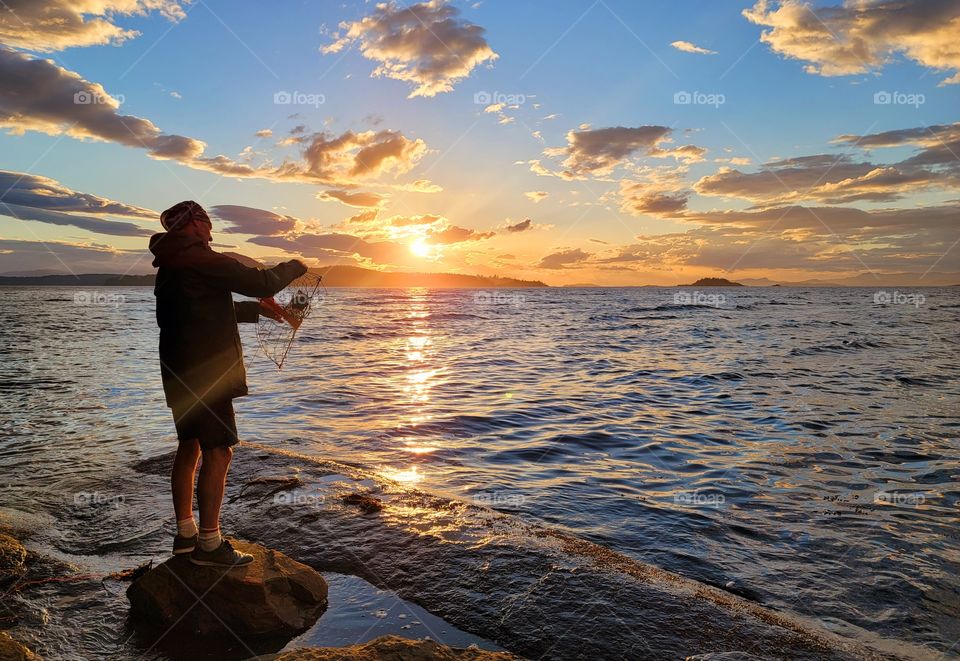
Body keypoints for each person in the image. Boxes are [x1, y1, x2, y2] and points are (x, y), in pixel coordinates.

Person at [150, 201, 306, 567]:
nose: (211, 230)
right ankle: (210, 545)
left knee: (189, 449)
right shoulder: (201, 258)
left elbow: (200, 310)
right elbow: (261, 282)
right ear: (193, 224)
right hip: (209, 377)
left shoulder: (171, 263)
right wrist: (297, 265)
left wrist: (257, 311)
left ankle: (185, 536)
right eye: (206, 222)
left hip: (178, 373)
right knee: (219, 453)